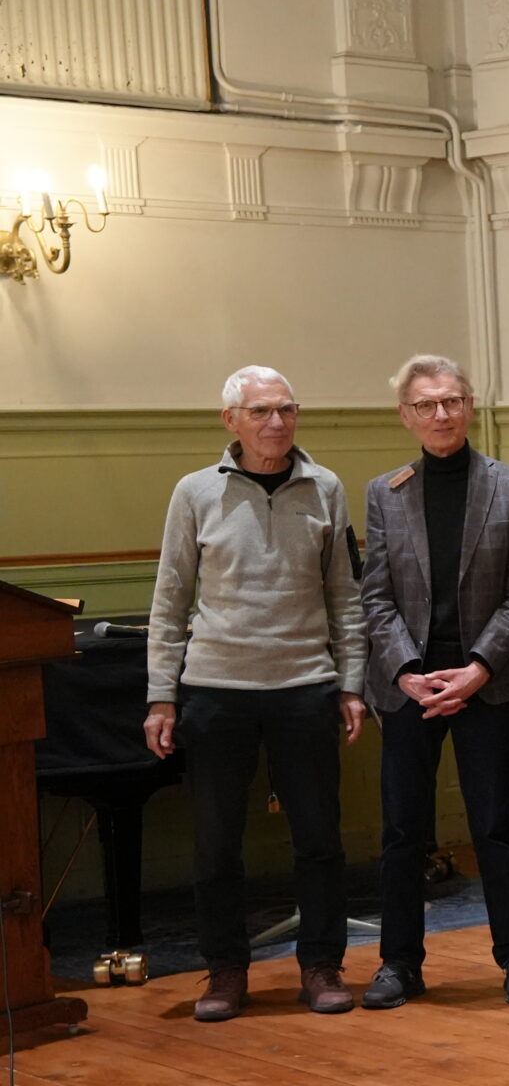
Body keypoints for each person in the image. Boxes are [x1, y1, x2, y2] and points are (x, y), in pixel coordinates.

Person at [145, 366, 367, 1021]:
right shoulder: (194, 492)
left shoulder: (326, 487)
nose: (277, 422)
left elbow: (344, 596)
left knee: (319, 839)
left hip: (305, 686)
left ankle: (321, 966)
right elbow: (169, 599)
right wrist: (161, 696)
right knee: (216, 844)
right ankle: (225, 971)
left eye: (287, 409)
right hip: (216, 691)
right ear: (231, 420)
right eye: (262, 411)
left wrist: (352, 683)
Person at [359, 355, 509, 1009]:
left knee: (494, 824)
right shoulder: (385, 492)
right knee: (403, 830)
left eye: (451, 401)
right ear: (406, 415)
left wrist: (477, 668)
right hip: (408, 685)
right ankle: (399, 963)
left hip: (486, 683)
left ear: (469, 406)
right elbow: (375, 595)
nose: (441, 414)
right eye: (426, 404)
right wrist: (407, 672)